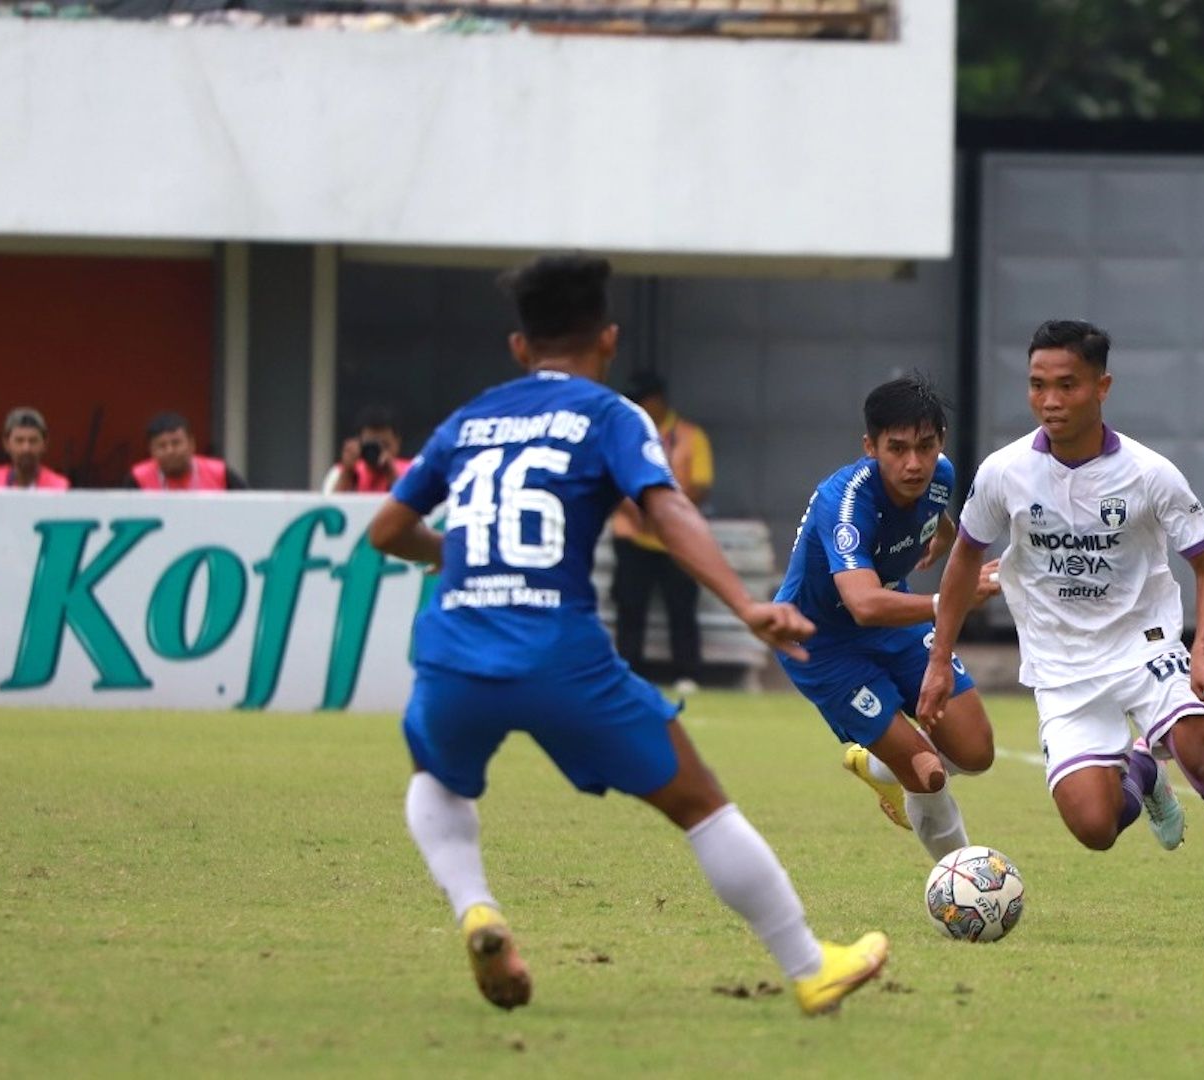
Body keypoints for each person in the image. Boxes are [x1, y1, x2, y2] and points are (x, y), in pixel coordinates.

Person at [365, 253, 887, 1016]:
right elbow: (667, 511)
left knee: (436, 780)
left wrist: (463, 556)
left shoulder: (469, 419)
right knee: (699, 802)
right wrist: (744, 604)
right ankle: (810, 967)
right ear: (607, 340)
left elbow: (387, 528)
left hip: (455, 646)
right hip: (557, 651)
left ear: (519, 347)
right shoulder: (612, 415)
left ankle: (477, 907)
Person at [919, 318, 1204, 956]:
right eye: (1037, 386)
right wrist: (940, 660)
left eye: (1067, 385)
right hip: (1062, 672)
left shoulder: (1149, 473)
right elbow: (965, 561)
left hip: (1149, 649)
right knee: (1096, 827)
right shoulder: (1004, 473)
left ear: (1102, 386)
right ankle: (1142, 769)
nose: (1051, 401)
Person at [774, 375, 1003, 862]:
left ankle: (876, 766)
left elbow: (937, 516)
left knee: (976, 751)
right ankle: (964, 883)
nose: (914, 463)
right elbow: (864, 604)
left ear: (940, 441)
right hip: (820, 645)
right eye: (896, 448)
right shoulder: (847, 501)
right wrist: (951, 600)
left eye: (926, 445)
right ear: (870, 446)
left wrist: (944, 538)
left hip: (893, 624)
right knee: (927, 772)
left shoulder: (939, 474)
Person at [608, 371, 713, 693]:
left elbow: (701, 483)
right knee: (630, 605)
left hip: (676, 540)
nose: (637, 407)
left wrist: (669, 513)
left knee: (681, 606)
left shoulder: (689, 435)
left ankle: (687, 673)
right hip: (633, 536)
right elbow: (611, 479)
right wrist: (637, 509)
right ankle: (629, 670)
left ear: (657, 400)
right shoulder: (624, 435)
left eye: (642, 401)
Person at [127, 412, 246, 491]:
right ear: (151, 451)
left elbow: (248, 509)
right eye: (162, 446)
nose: (170, 451)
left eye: (176, 443)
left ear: (191, 444)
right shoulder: (138, 478)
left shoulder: (219, 473)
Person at [322, 406, 413, 494]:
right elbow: (331, 506)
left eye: (385, 445)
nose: (378, 451)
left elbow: (413, 504)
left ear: (397, 443)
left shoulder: (411, 471)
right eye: (372, 445)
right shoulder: (339, 472)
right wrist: (347, 472)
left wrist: (391, 474)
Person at [0, 407, 70, 490]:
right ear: (6, 444)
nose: (26, 448)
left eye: (33, 441)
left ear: (45, 444)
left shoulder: (58, 486)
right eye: (19, 440)